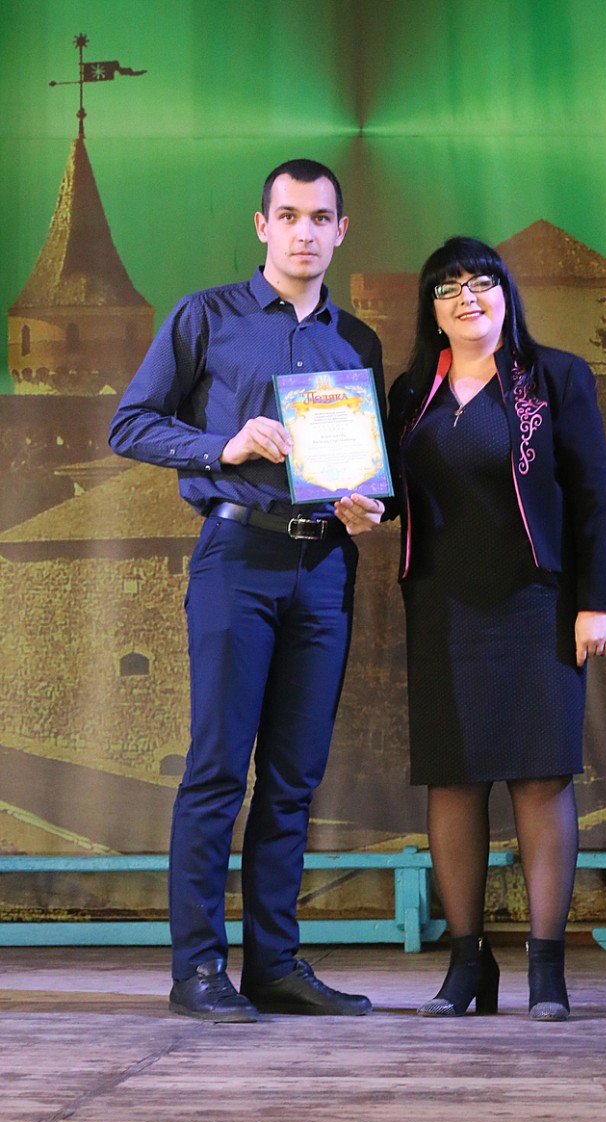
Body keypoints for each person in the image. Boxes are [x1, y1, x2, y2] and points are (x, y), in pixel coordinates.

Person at [109, 158, 392, 1021]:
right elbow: (129, 423)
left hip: (325, 567)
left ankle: (275, 966)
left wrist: (368, 508)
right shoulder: (206, 317)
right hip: (237, 556)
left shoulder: (358, 343)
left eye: (321, 218)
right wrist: (222, 446)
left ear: (341, 232)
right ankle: (198, 970)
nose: (305, 231)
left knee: (294, 779)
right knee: (217, 770)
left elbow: (368, 470)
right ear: (262, 226)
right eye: (289, 216)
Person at [389, 237, 606, 1021]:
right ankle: (466, 967)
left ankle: (546, 971)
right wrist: (355, 503)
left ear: (505, 295)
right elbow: (387, 492)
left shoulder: (554, 378)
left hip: (536, 604)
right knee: (452, 781)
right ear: (431, 309)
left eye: (481, 282)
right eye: (448, 286)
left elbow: (592, 495)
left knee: (539, 778)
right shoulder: (408, 392)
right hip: (440, 608)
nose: (467, 296)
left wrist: (594, 601)